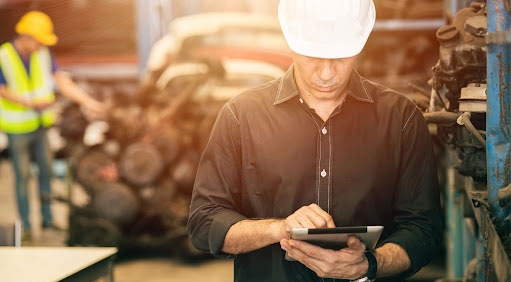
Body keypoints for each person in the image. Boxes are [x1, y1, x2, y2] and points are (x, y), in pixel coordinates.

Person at [187, 0, 443, 281]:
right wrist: (278, 228)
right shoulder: (241, 116)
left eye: (341, 58)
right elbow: (204, 223)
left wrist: (369, 265)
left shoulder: (401, 119)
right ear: (292, 44)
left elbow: (424, 230)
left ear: (360, 46)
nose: (326, 73)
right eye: (313, 57)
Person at [0, 11, 105, 239]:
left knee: (46, 171)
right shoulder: (4, 55)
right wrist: (30, 102)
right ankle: (26, 227)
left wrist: (89, 102)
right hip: (17, 128)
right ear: (26, 36)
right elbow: (2, 88)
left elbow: (61, 81)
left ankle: (48, 221)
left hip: (41, 125)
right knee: (23, 175)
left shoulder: (43, 54)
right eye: (39, 40)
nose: (40, 45)